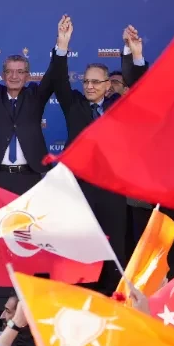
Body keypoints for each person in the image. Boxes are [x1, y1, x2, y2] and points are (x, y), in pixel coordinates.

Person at [51, 17, 148, 293]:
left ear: (109, 85)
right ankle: (82, 301)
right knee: (81, 251)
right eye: (86, 81)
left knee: (114, 250)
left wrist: (135, 53)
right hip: (79, 191)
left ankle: (113, 300)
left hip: (112, 191)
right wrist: (62, 44)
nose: (90, 86)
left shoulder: (119, 105)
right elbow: (58, 79)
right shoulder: (74, 105)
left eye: (96, 82)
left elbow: (141, 87)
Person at [0, 17, 58, 195]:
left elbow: (54, 75)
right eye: (10, 71)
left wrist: (61, 44)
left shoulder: (35, 96)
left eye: (20, 72)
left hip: (30, 176)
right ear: (3, 75)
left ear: (27, 76)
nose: (14, 76)